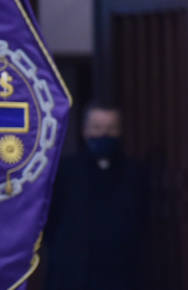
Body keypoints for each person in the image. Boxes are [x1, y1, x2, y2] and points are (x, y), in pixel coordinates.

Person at [45, 105, 148, 290]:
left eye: (111, 128)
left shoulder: (134, 172)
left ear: (119, 131)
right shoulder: (65, 171)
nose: (104, 134)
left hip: (120, 271)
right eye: (97, 128)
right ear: (85, 131)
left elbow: (142, 220)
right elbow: (51, 220)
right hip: (73, 271)